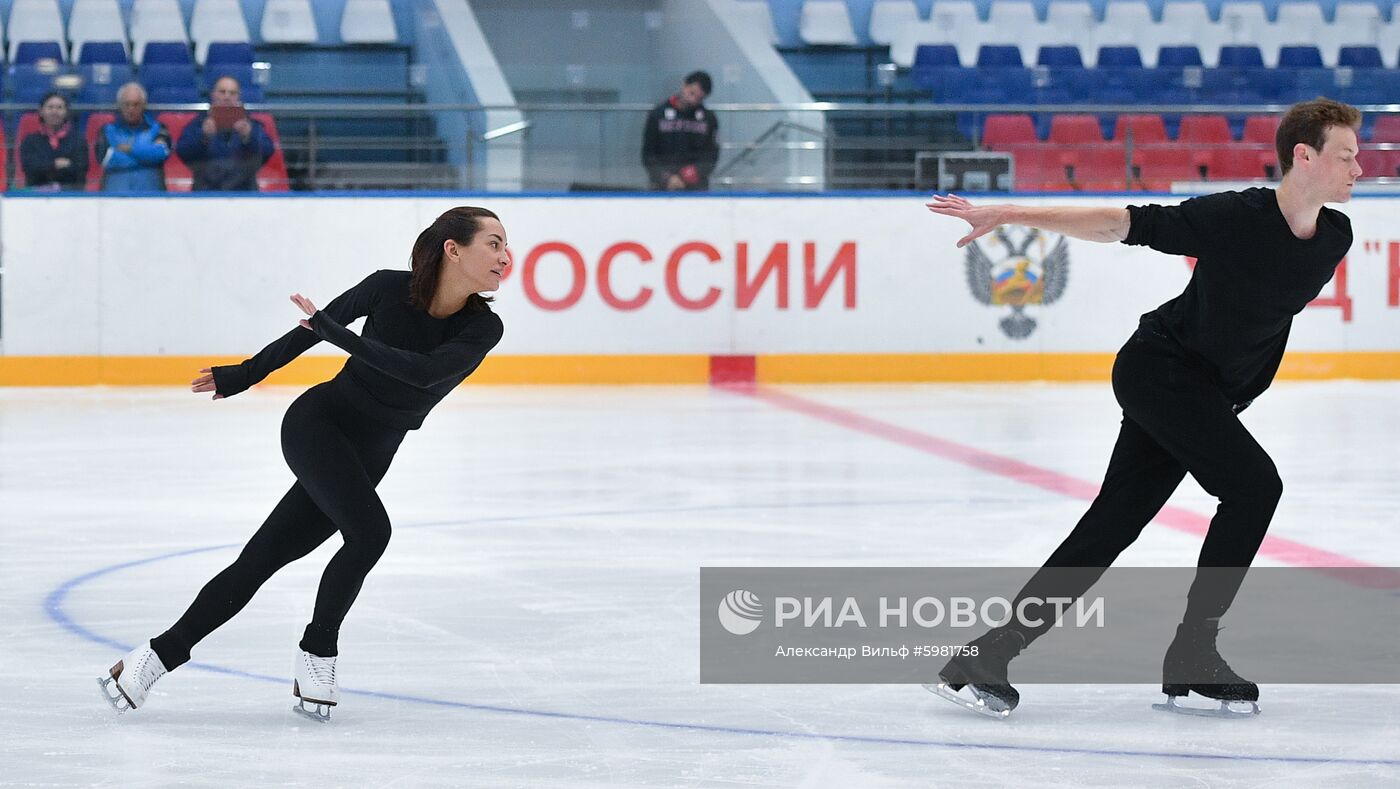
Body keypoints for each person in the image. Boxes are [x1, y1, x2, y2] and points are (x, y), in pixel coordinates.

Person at [924, 98, 1362, 718]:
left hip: (1205, 392)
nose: (1359, 169)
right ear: (1304, 156)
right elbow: (1121, 223)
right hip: (1161, 371)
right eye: (1346, 156)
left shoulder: (1335, 236)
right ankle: (1193, 650)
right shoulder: (1236, 216)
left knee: (1114, 521)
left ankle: (988, 654)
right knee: (1255, 487)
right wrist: (1012, 213)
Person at [98, 207, 509, 721]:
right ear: (454, 249)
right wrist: (245, 374)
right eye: (493, 243)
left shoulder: (482, 328)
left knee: (261, 560)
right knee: (370, 534)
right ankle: (318, 651)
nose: (504, 256)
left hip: (369, 454)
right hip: (319, 425)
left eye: (504, 246)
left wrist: (344, 337)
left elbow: (422, 375)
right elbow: (311, 330)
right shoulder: (386, 287)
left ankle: (152, 658)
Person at [175, 75, 275, 191]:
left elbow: (268, 150)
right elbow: (182, 152)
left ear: (238, 97)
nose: (227, 97)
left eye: (232, 93)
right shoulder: (198, 124)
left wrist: (248, 137)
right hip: (206, 193)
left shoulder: (252, 125)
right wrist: (203, 137)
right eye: (222, 92)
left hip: (244, 193)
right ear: (213, 94)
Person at [642, 70, 719, 191]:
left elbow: (711, 154)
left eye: (699, 98)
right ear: (684, 85)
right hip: (662, 187)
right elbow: (648, 154)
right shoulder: (658, 114)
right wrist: (666, 177)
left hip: (696, 187)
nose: (693, 100)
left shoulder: (708, 118)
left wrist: (695, 172)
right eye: (691, 93)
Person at [96, 82, 172, 192]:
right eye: (127, 104)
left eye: (136, 104)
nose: (131, 109)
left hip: (152, 198)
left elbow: (160, 153)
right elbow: (106, 159)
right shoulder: (107, 130)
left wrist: (129, 149)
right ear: (119, 105)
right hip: (113, 199)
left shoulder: (159, 128)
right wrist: (147, 155)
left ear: (144, 105)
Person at [19, 92, 88, 191]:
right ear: (41, 111)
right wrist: (56, 164)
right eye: (50, 107)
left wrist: (45, 166)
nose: (54, 111)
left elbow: (80, 169)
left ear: (66, 112)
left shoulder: (78, 140)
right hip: (37, 195)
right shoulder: (30, 140)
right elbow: (30, 168)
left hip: (70, 194)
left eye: (59, 107)